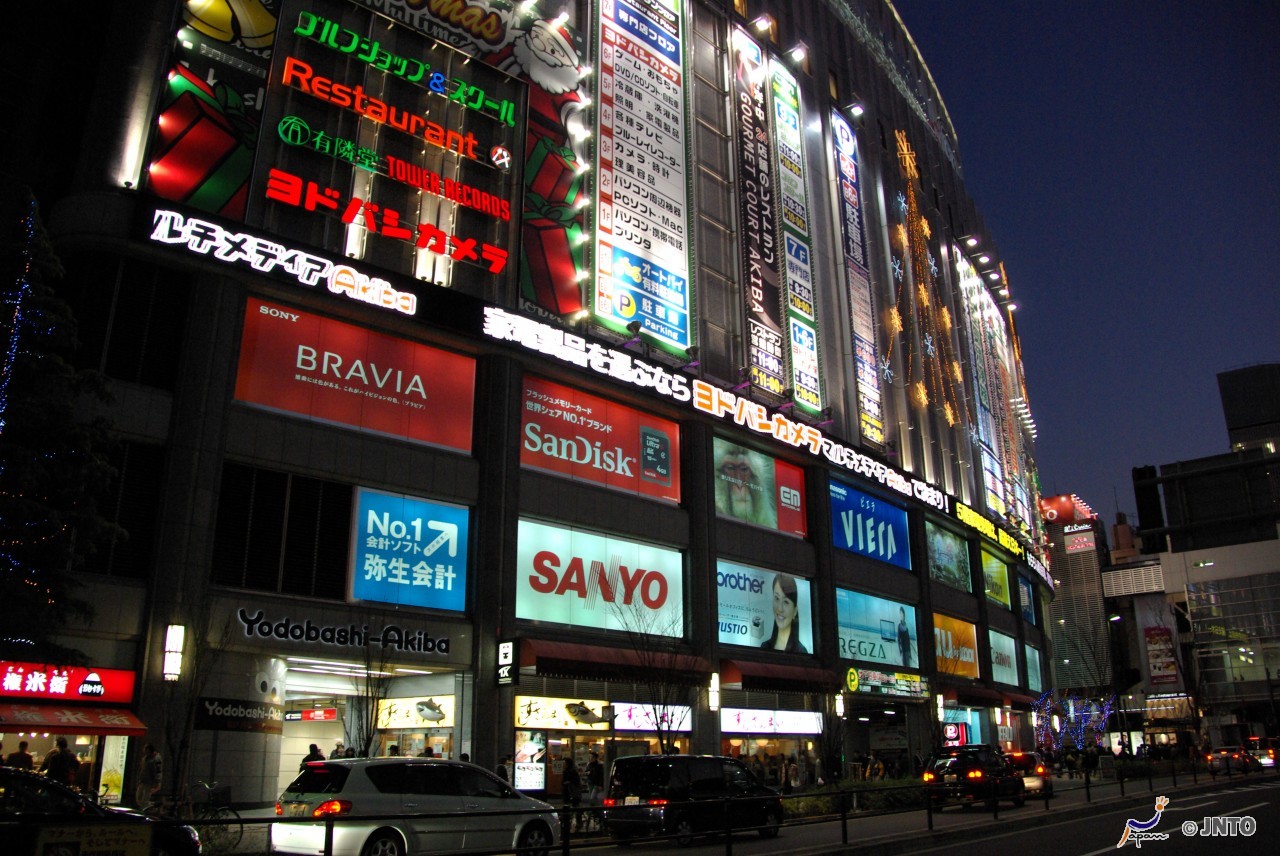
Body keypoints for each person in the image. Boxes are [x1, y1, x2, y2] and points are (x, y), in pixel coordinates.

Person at [761, 574, 808, 653]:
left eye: (786, 602)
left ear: (795, 611)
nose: (780, 608)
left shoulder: (801, 652)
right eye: (777, 598)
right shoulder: (765, 647)